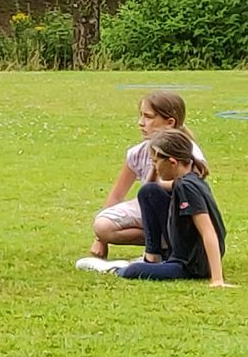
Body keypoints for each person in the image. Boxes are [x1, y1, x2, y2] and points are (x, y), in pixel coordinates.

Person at [87, 90, 207, 258]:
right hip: (149, 210)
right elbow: (116, 195)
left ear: (170, 123)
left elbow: (194, 194)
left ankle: (167, 248)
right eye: (141, 115)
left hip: (181, 213)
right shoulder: (137, 152)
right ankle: (161, 246)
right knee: (103, 226)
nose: (141, 123)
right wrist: (100, 239)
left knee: (151, 192)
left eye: (148, 117)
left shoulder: (188, 154)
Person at [103, 130, 229, 285]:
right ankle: (153, 257)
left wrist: (217, 279)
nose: (154, 167)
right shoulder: (189, 179)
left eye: (155, 162)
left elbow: (208, 230)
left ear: (172, 162)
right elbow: (150, 188)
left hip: (189, 265)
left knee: (133, 271)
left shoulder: (187, 188)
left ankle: (113, 268)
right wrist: (155, 167)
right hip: (184, 254)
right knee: (149, 192)